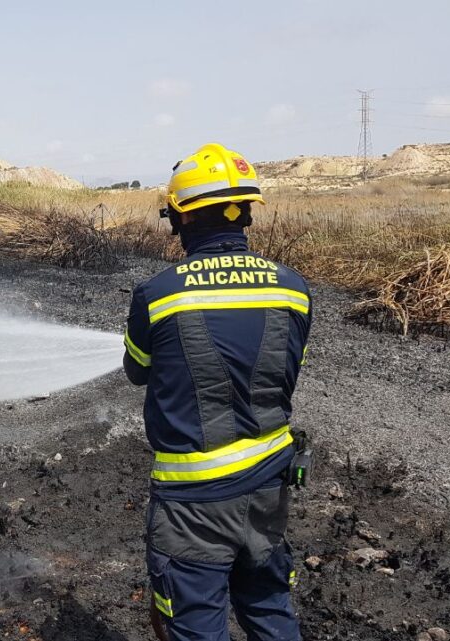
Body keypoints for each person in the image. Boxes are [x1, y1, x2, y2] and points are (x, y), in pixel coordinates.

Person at [123, 143, 312, 641]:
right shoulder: (293, 289)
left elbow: (137, 371)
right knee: (270, 607)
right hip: (270, 487)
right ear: (247, 213)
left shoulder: (158, 296)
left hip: (194, 506)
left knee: (195, 624)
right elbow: (289, 368)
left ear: (178, 219)